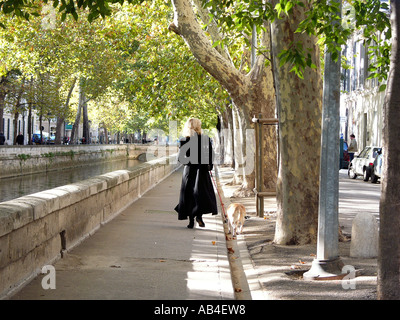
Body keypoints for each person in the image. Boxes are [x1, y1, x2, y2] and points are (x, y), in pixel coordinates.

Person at [174, 118, 218, 229]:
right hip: (202, 170)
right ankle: (199, 216)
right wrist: (208, 166)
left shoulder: (184, 140)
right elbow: (211, 155)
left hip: (189, 171)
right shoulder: (205, 139)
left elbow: (181, 159)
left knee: (189, 194)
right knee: (201, 193)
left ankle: (191, 221)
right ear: (199, 126)